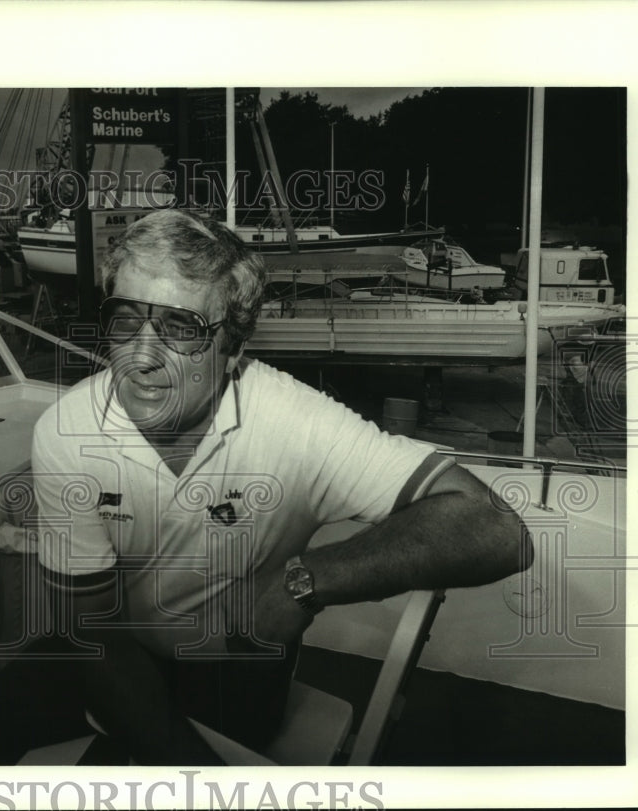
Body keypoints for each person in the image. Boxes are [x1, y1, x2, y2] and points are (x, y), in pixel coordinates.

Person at [29, 208, 532, 765]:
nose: (141, 357)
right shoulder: (67, 431)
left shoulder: (294, 420)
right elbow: (92, 633)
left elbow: (497, 528)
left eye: (180, 329)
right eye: (126, 320)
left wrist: (306, 581)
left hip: (240, 669)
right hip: (125, 668)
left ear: (234, 348)